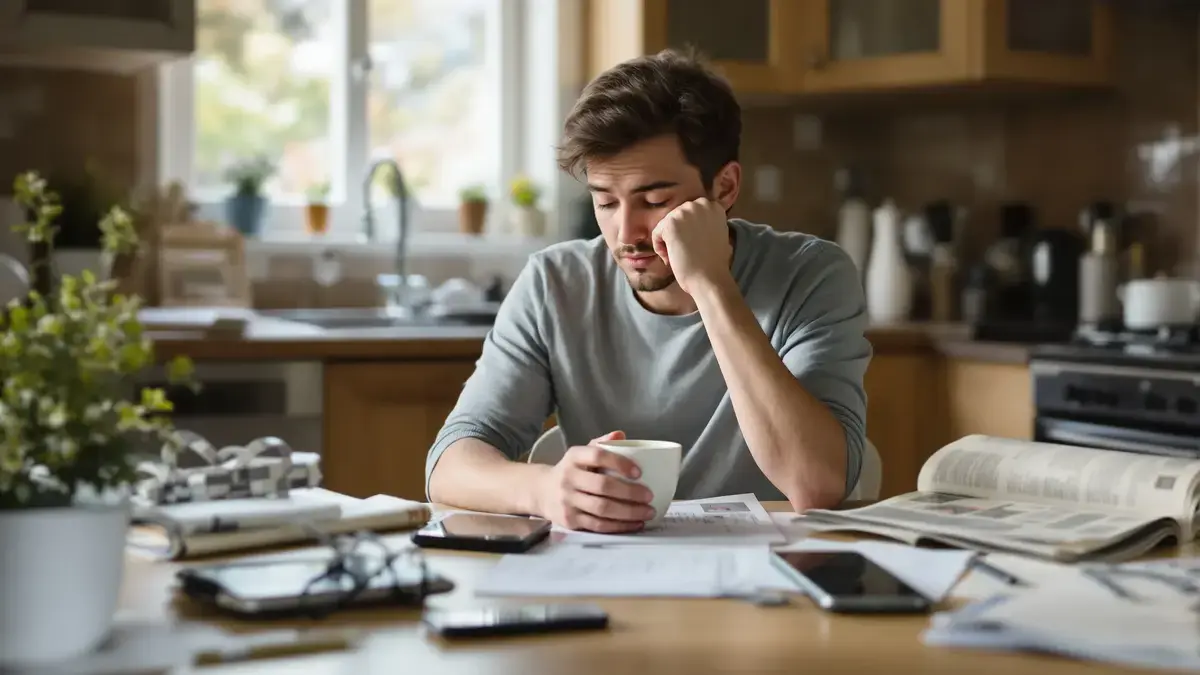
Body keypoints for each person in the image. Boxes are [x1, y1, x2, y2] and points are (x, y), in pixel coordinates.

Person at [425, 49, 871, 533]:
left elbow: (817, 483)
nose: (625, 233)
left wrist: (711, 284)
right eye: (605, 202)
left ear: (724, 188)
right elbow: (450, 465)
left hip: (770, 573)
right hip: (607, 574)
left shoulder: (811, 274)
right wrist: (545, 490)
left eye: (655, 201)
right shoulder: (555, 284)